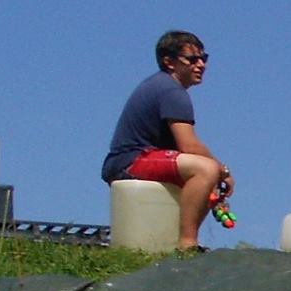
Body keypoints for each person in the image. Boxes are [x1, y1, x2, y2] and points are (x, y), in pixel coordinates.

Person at [100, 30, 235, 253]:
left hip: (132, 159)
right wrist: (223, 171)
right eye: (192, 59)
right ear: (169, 62)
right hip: (130, 160)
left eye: (204, 58)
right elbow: (189, 146)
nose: (201, 65)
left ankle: (179, 242)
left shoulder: (163, 86)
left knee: (203, 172)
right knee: (205, 169)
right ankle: (187, 245)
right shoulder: (172, 91)